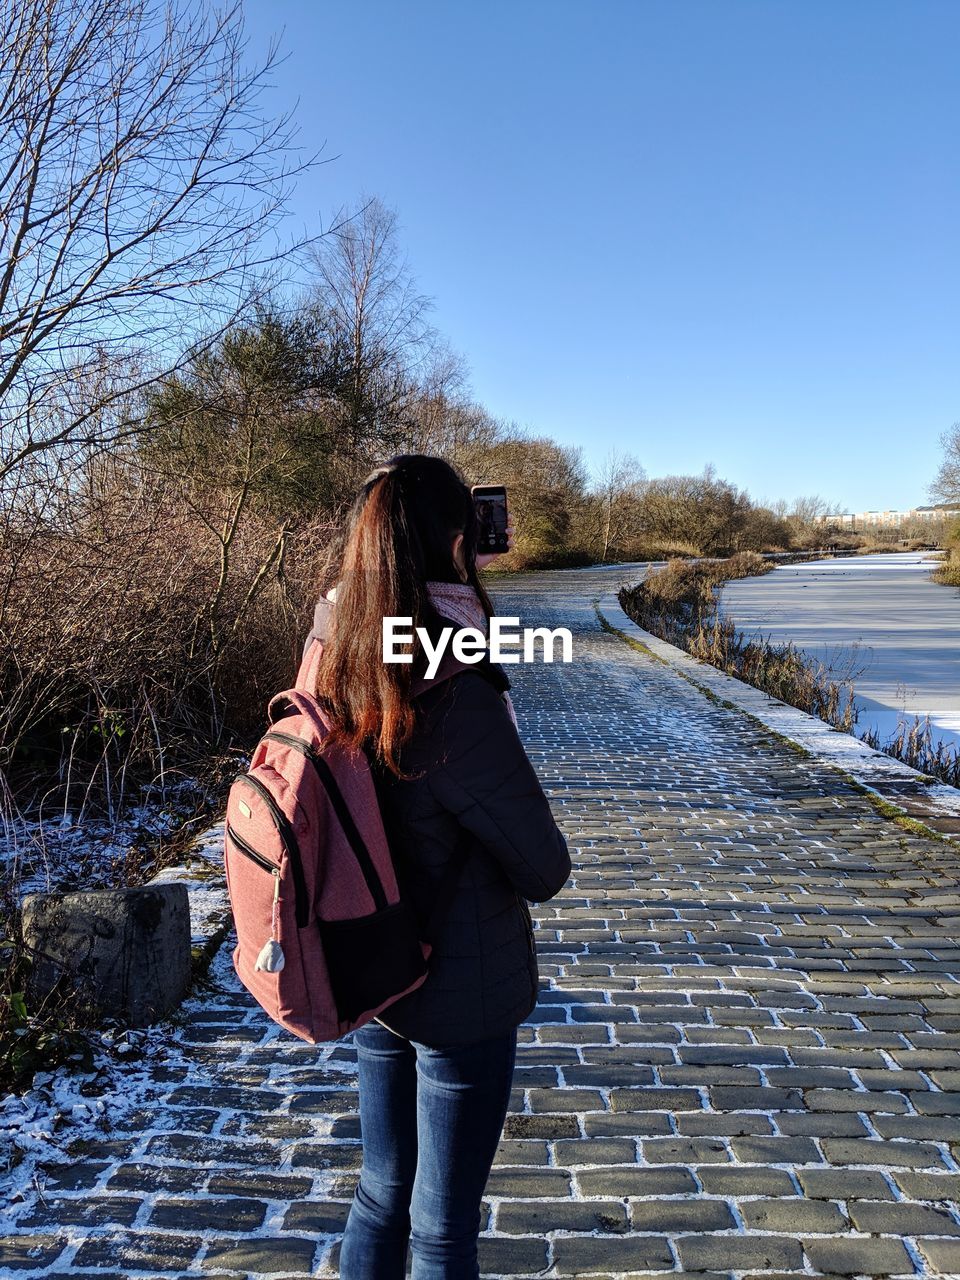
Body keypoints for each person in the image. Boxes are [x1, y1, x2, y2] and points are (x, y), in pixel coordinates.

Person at [303, 454, 571, 1279]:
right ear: (459, 543)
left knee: (380, 1192)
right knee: (442, 1228)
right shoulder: (452, 673)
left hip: (372, 959)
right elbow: (542, 864)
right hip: (461, 984)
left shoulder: (329, 648)